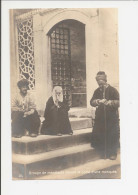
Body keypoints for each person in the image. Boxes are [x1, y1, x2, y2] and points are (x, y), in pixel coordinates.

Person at [90, 71, 120, 160]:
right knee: (101, 134)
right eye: (99, 83)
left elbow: (119, 102)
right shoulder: (97, 91)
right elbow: (91, 102)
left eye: (102, 83)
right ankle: (103, 152)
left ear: (105, 81)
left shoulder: (113, 90)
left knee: (112, 134)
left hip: (111, 117)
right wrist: (98, 101)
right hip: (100, 117)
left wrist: (109, 102)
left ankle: (112, 153)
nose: (100, 86)